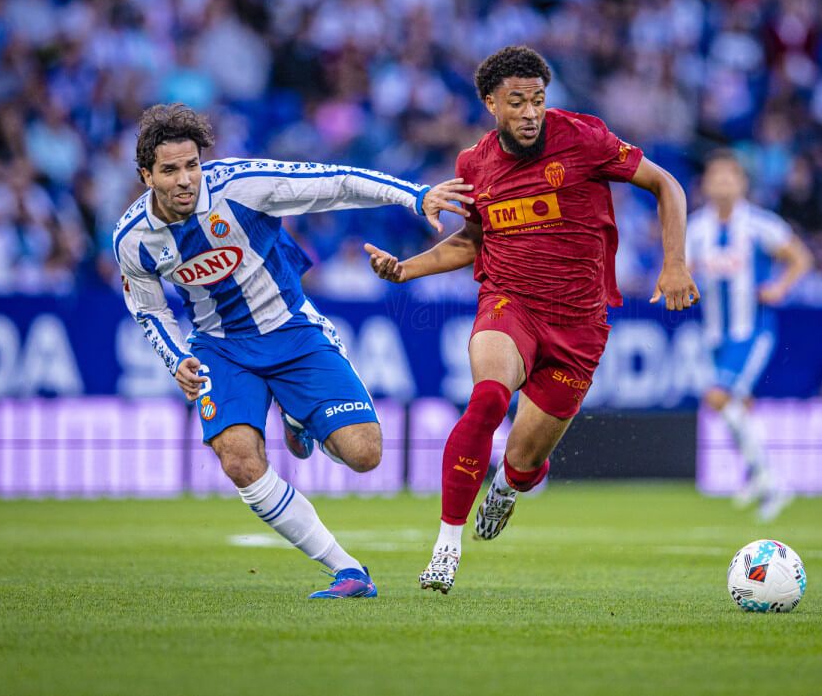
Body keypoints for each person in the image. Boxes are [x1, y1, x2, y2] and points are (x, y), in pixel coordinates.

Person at [365, 46, 699, 593]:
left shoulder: (585, 139)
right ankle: (446, 549)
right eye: (516, 102)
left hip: (579, 326)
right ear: (491, 103)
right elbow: (475, 240)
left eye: (538, 101)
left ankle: (509, 485)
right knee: (489, 397)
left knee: (523, 462)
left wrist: (675, 262)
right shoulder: (474, 164)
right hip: (508, 303)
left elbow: (668, 185)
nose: (529, 112)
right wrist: (406, 270)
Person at [113, 103, 472, 598]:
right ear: (145, 175)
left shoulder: (243, 186)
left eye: (191, 165)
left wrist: (416, 196)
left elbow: (338, 181)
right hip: (220, 349)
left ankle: (300, 420)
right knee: (239, 461)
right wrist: (177, 359)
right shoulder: (132, 240)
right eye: (169, 170)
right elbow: (150, 309)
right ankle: (348, 570)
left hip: (294, 332)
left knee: (365, 455)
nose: (184, 180)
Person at [685, 150, 813, 520]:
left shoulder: (760, 224)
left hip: (751, 330)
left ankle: (771, 480)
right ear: (706, 183)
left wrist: (780, 287)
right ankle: (760, 475)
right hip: (715, 333)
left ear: (742, 183)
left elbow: (800, 258)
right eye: (716, 176)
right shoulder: (696, 229)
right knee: (738, 407)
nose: (723, 182)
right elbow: (685, 269)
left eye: (730, 176)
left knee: (718, 396)